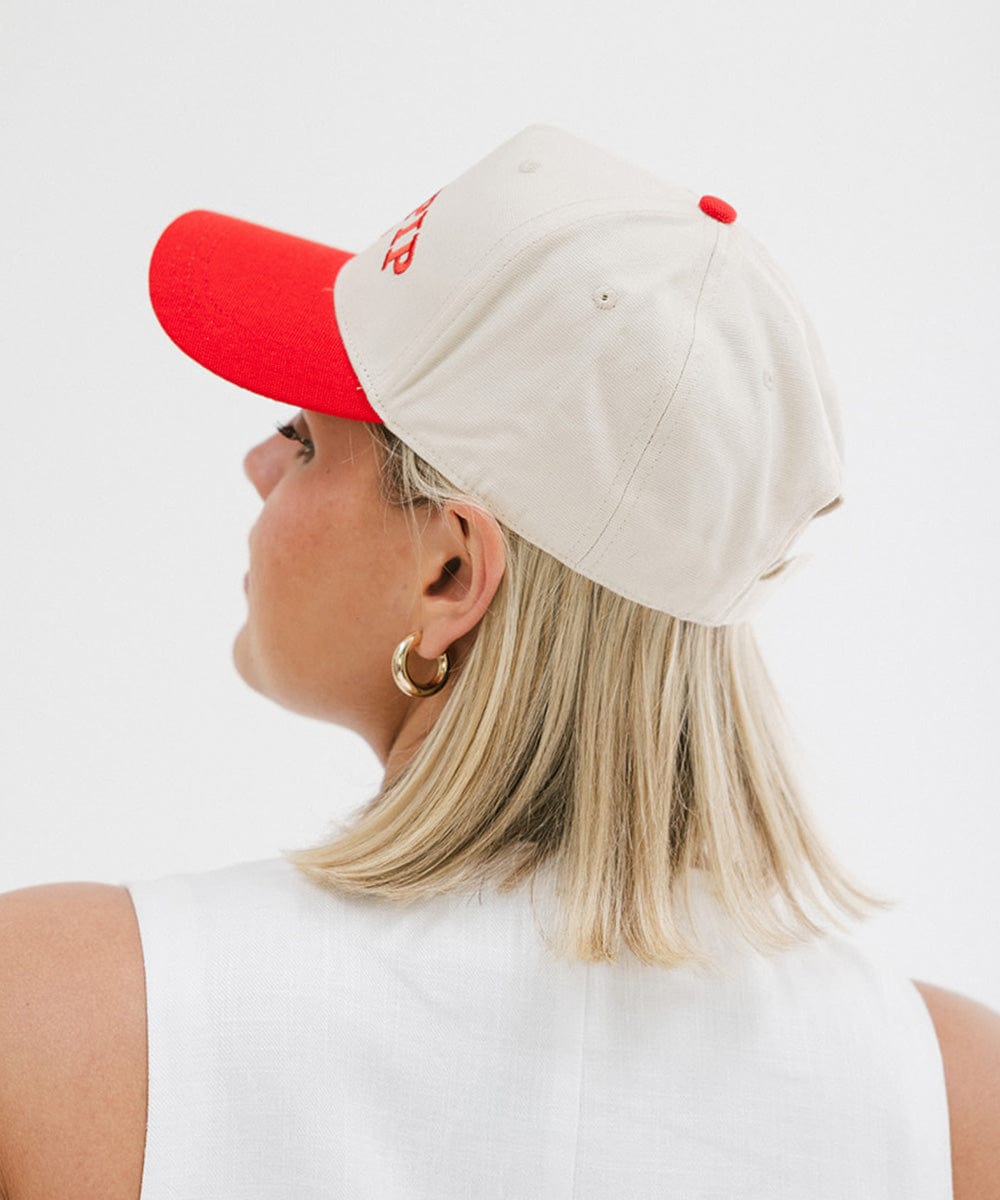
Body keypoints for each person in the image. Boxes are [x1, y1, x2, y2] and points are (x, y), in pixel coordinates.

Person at [0, 122, 997, 1200]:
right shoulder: (953, 1103)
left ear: (450, 577)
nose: (255, 463)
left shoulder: (56, 1015)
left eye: (302, 435)